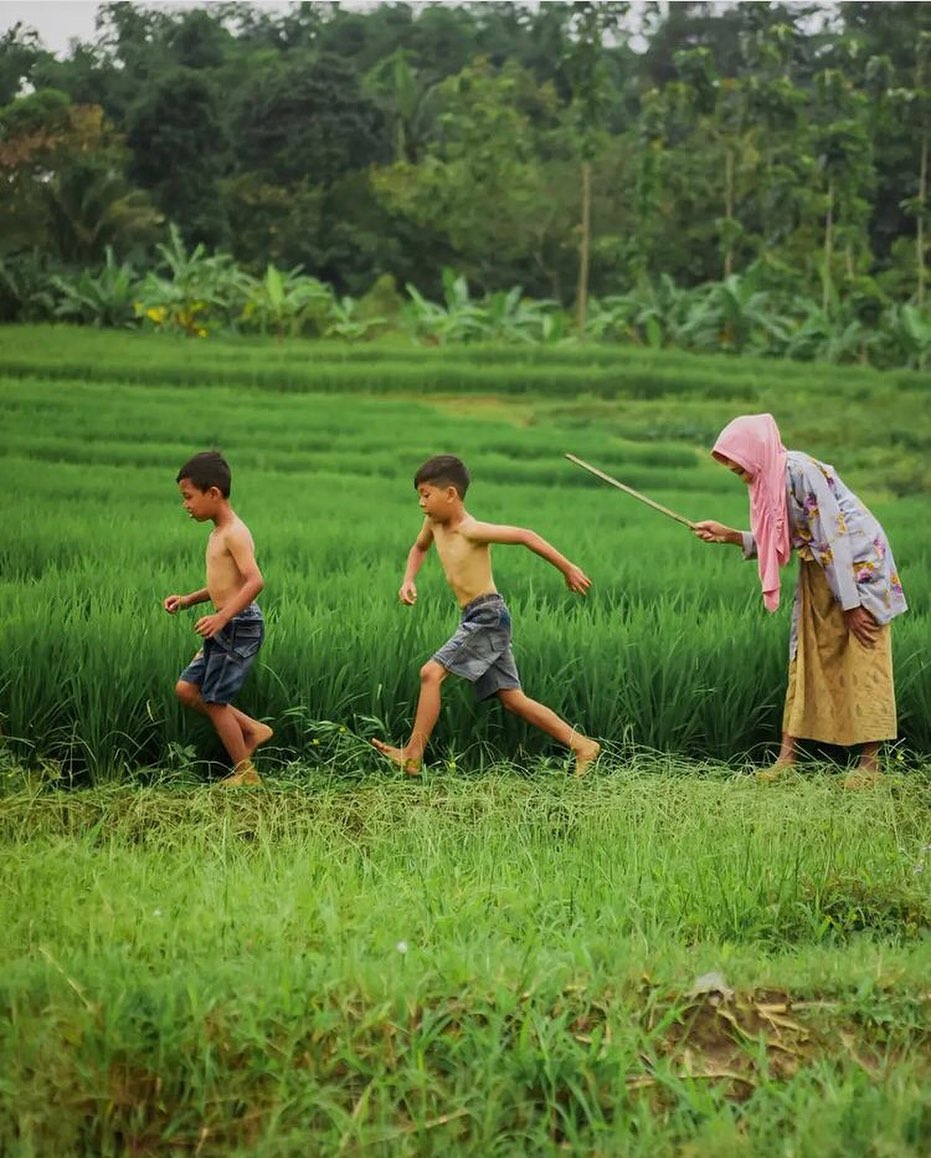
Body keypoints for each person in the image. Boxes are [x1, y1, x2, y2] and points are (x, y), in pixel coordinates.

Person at [693, 414, 907, 787]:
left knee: (864, 654)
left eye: (740, 467)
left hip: (858, 569)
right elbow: (787, 536)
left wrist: (852, 605)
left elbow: (833, 536)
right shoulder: (769, 480)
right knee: (805, 653)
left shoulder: (799, 470)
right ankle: (787, 759)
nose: (740, 475)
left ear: (756, 452)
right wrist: (731, 536)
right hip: (822, 568)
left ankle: (870, 766)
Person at [372, 455, 601, 776]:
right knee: (512, 699)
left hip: (488, 616)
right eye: (419, 495)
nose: (421, 502)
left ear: (450, 494)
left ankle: (413, 755)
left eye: (426, 494)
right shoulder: (433, 524)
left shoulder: (471, 530)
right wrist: (408, 579)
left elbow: (525, 535)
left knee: (430, 674)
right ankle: (583, 746)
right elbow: (419, 548)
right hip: (473, 616)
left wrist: (568, 568)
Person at [163, 451, 271, 786]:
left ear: (213, 493)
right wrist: (189, 600)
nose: (186, 505)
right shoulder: (217, 532)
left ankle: (246, 774)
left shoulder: (234, 533)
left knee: (214, 699)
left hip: (239, 625)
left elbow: (255, 581)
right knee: (186, 689)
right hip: (227, 623)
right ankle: (253, 729)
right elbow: (223, 586)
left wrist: (222, 617)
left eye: (188, 497)